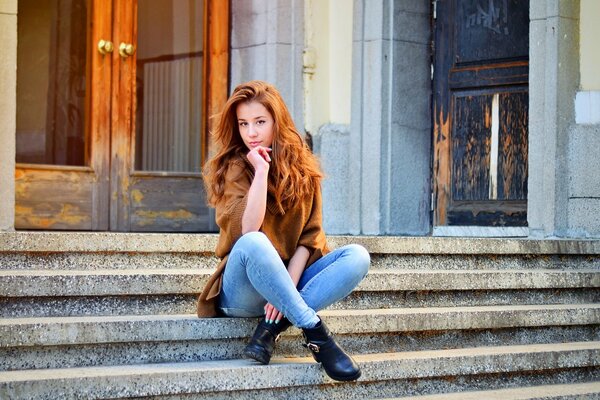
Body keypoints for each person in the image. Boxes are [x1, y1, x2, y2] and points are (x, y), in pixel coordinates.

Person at [197, 80, 370, 382]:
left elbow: (310, 238)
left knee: (357, 256)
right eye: (243, 124)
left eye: (260, 122)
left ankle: (271, 328)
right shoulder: (234, 166)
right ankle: (316, 333)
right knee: (255, 242)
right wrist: (261, 173)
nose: (251, 133)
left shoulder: (303, 169)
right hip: (241, 290)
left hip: (285, 282)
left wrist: (284, 291)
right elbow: (247, 230)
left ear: (278, 121)